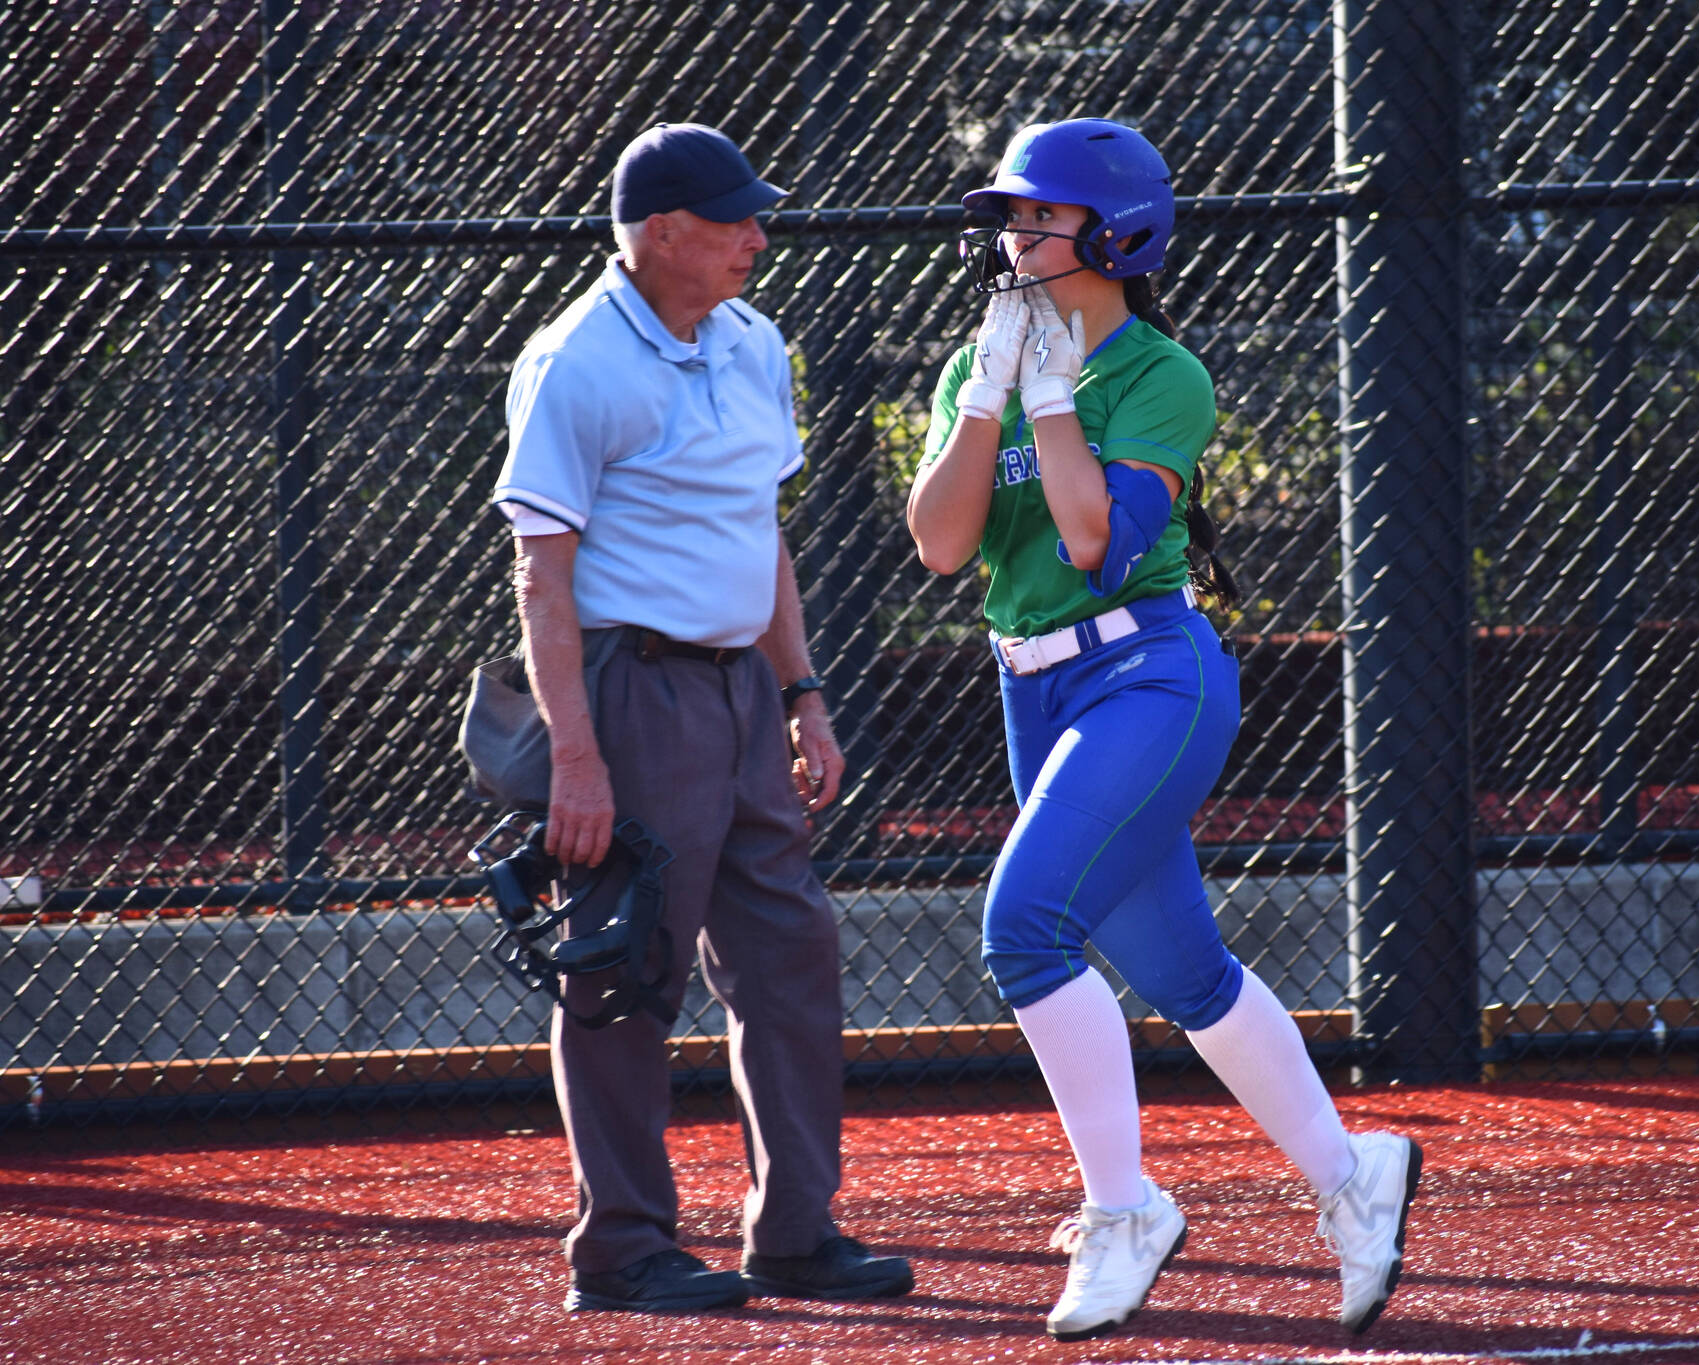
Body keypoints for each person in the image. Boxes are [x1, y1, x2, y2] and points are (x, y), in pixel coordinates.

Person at [906, 118, 1423, 1340]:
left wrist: (1047, 396)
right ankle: (1354, 1181)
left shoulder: (1158, 375)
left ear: (1116, 231)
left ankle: (1124, 1209)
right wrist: (987, 393)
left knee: (1024, 928)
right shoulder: (976, 360)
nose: (1015, 234)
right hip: (1030, 686)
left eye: (1043, 214)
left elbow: (1092, 541)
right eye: (1012, 215)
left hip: (1146, 674)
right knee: (1184, 974)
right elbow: (938, 546)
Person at [491, 121, 912, 1315]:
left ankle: (793, 1232)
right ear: (658, 233)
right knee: (625, 966)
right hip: (635, 691)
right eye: (731, 221)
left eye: (754, 215)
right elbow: (541, 574)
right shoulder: (574, 359)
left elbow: (756, 531)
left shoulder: (751, 338)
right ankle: (620, 1249)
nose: (755, 237)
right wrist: (576, 754)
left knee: (791, 955)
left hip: (738, 688)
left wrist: (802, 693)